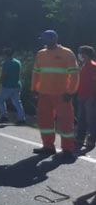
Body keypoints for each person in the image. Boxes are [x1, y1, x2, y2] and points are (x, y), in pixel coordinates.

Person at [31, 30, 79, 159]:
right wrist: (34, 89)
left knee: (66, 121)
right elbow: (36, 73)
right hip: (44, 94)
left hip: (62, 94)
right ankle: (48, 146)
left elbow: (74, 74)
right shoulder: (41, 54)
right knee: (44, 121)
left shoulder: (67, 53)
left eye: (45, 40)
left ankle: (68, 149)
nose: (44, 43)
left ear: (53, 40)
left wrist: (71, 92)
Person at [0, 47, 26, 124]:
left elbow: (4, 75)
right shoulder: (17, 62)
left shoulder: (6, 63)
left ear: (5, 55)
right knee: (17, 102)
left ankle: (4, 116)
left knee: (0, 100)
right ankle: (21, 118)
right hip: (17, 85)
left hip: (8, 86)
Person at [75, 45, 96, 150]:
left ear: (86, 54)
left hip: (89, 97)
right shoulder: (83, 65)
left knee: (91, 119)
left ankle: (92, 139)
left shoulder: (93, 66)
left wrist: (92, 96)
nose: (80, 55)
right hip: (81, 96)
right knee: (81, 118)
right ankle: (80, 138)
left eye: (81, 53)